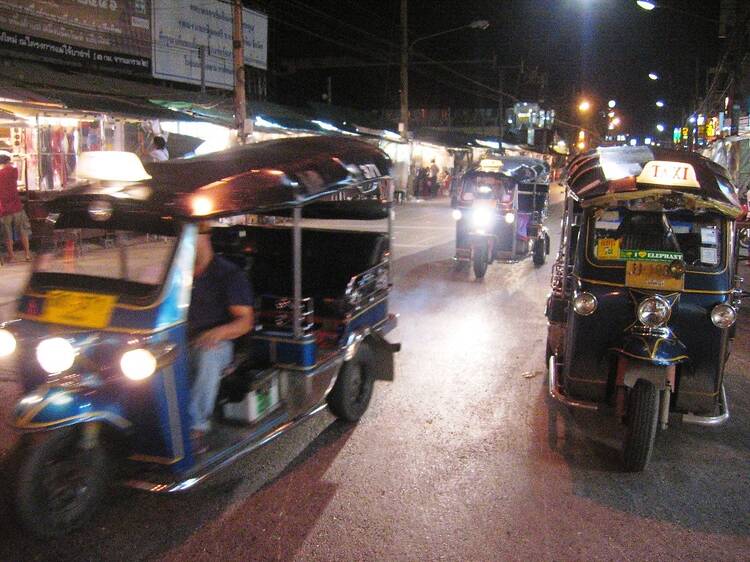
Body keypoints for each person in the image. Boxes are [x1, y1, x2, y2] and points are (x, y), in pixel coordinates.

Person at [188, 227, 254, 452]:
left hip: (220, 344)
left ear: (205, 237)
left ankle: (195, 427)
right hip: (183, 341)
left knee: (207, 355)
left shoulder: (228, 275)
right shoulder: (175, 275)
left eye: (190, 236)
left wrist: (217, 333)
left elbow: (245, 322)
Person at [0, 152, 31, 261]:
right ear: (8, 161)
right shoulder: (14, 171)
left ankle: (12, 256)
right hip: (16, 206)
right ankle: (27, 255)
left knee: (7, 234)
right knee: (23, 231)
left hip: (4, 208)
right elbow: (17, 167)